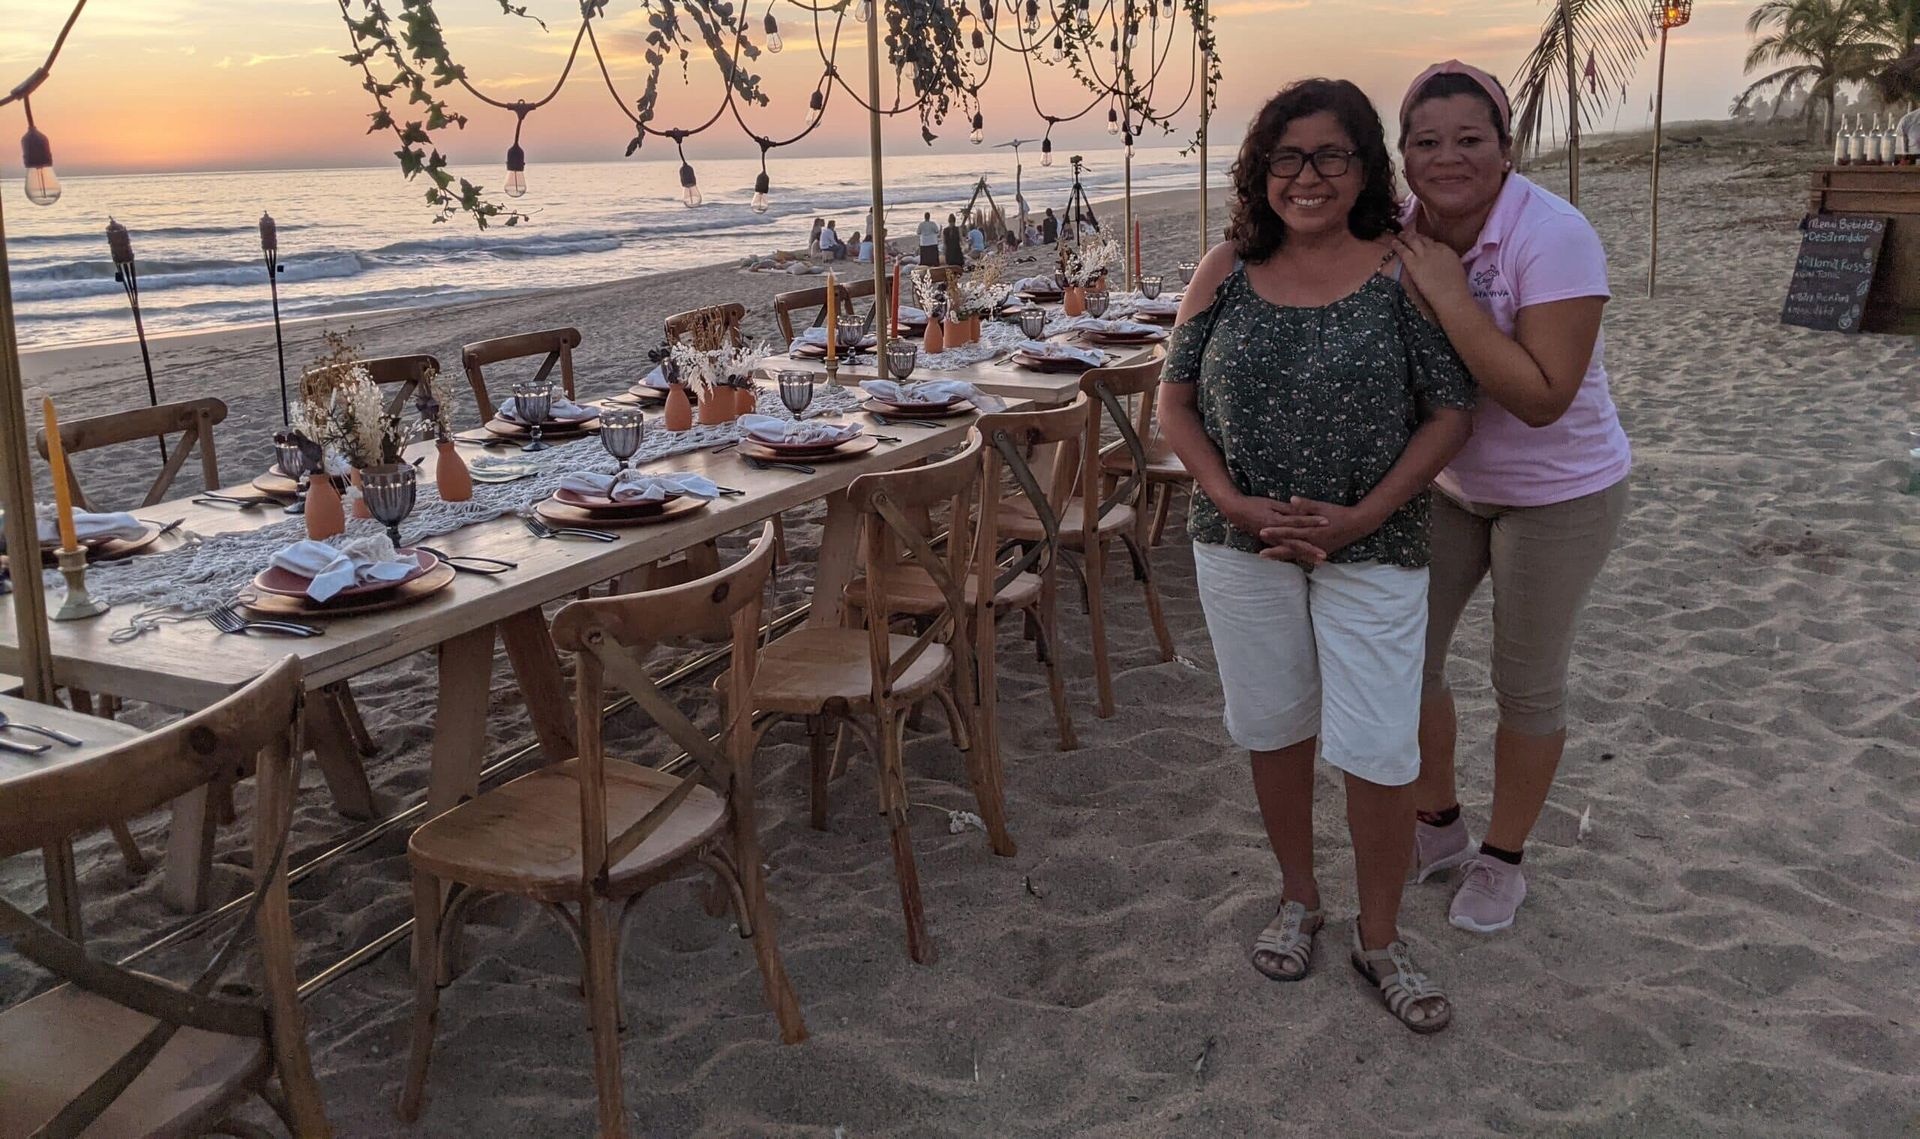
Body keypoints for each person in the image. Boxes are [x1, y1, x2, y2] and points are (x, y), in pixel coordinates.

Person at [1156, 77, 1475, 1033]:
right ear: (1262, 170)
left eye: (1331, 156)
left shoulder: (1402, 268)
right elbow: (1173, 402)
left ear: (1363, 168)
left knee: (1380, 744)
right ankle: (1300, 895)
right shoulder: (1224, 267)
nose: (1308, 176)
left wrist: (1358, 515)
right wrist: (1228, 498)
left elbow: (1452, 414)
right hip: (1238, 544)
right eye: (1287, 157)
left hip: (1375, 544)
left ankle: (1381, 939)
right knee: (1274, 724)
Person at [1388, 60, 1632, 934]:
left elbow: (1539, 397)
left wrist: (1454, 301)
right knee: (1401, 658)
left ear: (1506, 147)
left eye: (1469, 139)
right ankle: (1441, 824)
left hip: (1559, 490)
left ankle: (1504, 858)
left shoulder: (1553, 236)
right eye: (1426, 142)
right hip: (1453, 483)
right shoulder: (1400, 232)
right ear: (1403, 155)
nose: (1447, 157)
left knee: (1525, 683)